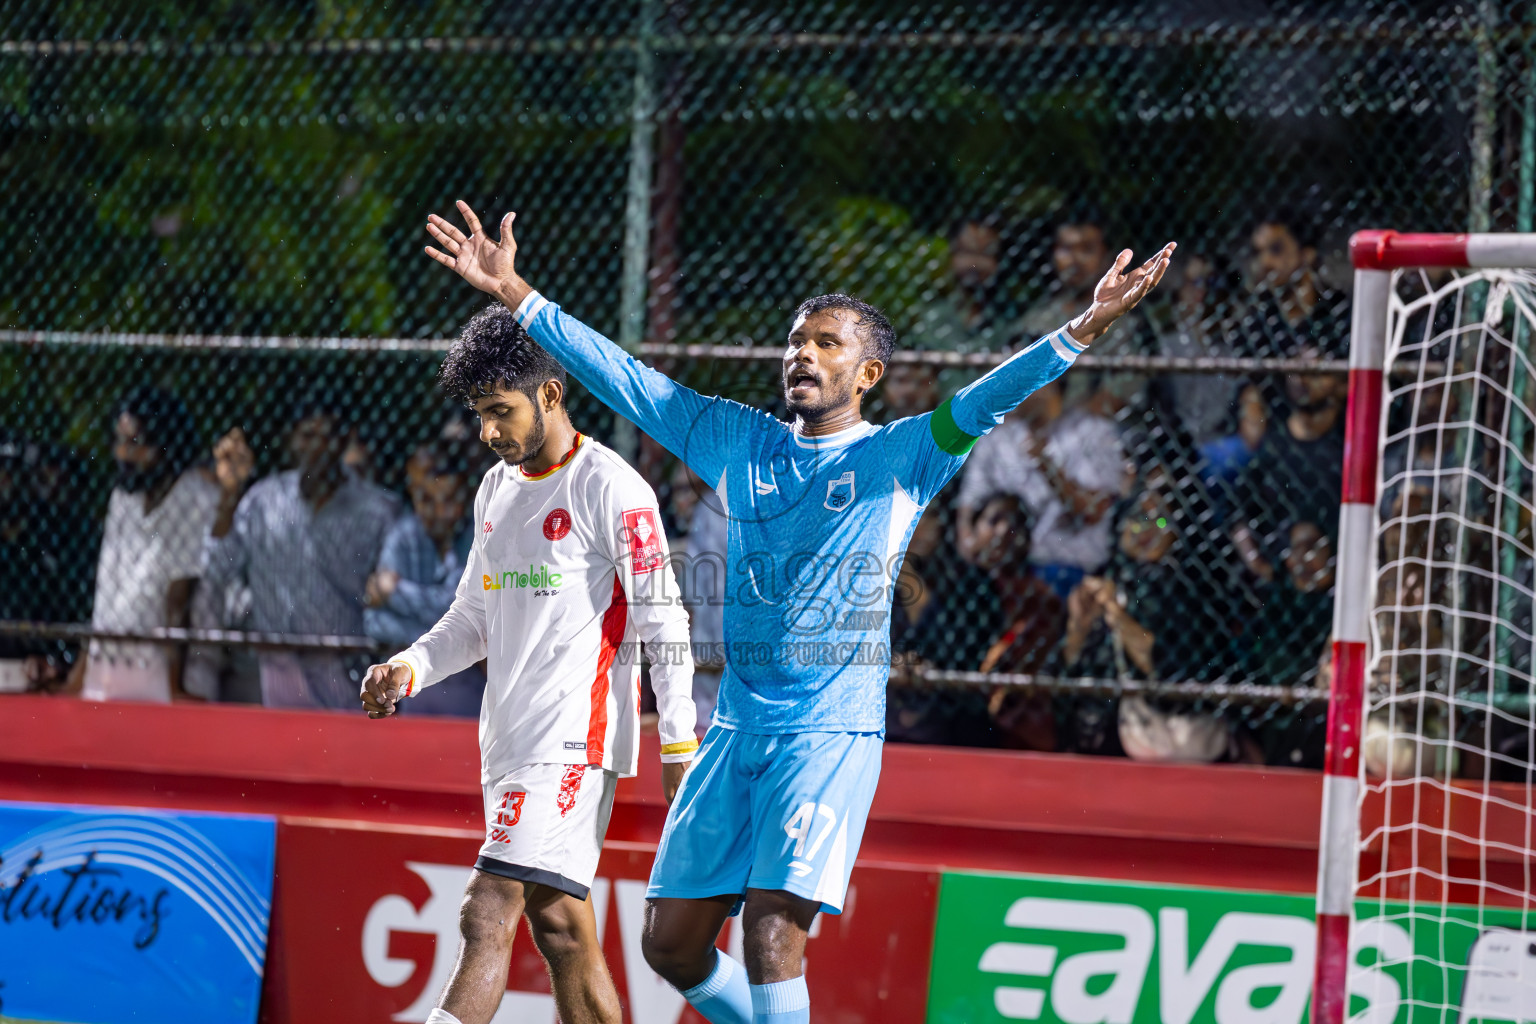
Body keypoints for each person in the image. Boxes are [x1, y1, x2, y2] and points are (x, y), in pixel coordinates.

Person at [423, 198, 1173, 1024]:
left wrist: (1082, 330)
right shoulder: (740, 441)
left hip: (828, 731)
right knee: (668, 944)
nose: (802, 354)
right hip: (737, 728)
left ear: (868, 374)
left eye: (826, 343)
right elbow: (630, 382)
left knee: (772, 931)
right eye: (795, 341)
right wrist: (518, 294)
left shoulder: (904, 456)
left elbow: (992, 395)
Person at [358, 306, 698, 1024]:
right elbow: (471, 619)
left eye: (499, 411)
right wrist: (409, 668)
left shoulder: (613, 488)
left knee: (487, 910)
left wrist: (678, 742)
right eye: (479, 413)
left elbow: (665, 618)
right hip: (506, 746)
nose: (487, 432)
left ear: (550, 394)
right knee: (563, 933)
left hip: (572, 746)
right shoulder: (494, 488)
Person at [205, 398, 401, 710]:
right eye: (308, 435)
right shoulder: (262, 501)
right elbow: (216, 568)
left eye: (328, 436)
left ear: (344, 439)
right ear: (292, 439)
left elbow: (394, 597)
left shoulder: (377, 512)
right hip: (271, 671)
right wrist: (229, 494)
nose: (318, 447)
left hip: (345, 675)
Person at [69, 388, 221, 702]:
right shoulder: (124, 497)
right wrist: (79, 676)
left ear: (165, 445)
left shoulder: (195, 496)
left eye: (135, 444)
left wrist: (175, 689)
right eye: (119, 441)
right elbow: (106, 594)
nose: (122, 453)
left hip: (169, 675)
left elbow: (180, 596)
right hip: (110, 669)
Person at [955, 375, 1126, 599]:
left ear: (1049, 382)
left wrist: (1048, 468)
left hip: (1068, 569)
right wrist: (969, 540)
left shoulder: (1092, 432)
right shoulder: (997, 437)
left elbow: (1091, 510)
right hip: (1004, 568)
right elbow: (970, 501)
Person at [364, 442, 485, 717]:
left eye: (449, 500)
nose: (440, 513)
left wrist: (395, 593)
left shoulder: (476, 536)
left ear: (463, 500)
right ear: (417, 499)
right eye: (429, 501)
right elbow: (374, 622)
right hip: (416, 696)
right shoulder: (402, 538)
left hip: (472, 697)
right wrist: (444, 640)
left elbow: (469, 611)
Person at [1019, 210, 1149, 415]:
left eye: (1087, 249)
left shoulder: (1126, 322)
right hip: (1037, 426)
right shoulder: (1036, 319)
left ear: (1107, 256)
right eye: (1066, 249)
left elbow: (1122, 391)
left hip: (1094, 427)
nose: (1074, 260)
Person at [969, 493, 1065, 752]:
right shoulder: (955, 584)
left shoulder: (1039, 596)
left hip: (1011, 718)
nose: (1002, 531)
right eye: (994, 520)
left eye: (1013, 524)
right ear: (974, 529)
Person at [1238, 208, 1349, 358]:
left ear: (1307, 254)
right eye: (1258, 253)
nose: (1264, 262)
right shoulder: (1258, 319)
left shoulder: (1339, 309)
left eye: (1276, 249)